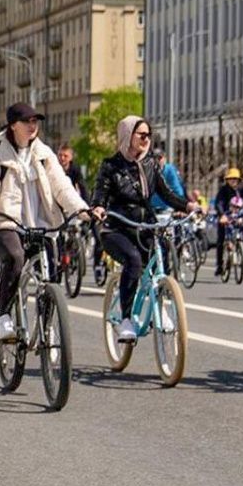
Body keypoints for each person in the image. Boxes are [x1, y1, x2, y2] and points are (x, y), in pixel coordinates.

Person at [0, 103, 89, 341]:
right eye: (27, 122)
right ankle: (3, 319)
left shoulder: (44, 154)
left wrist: (83, 209)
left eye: (35, 121)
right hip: (5, 223)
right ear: (13, 125)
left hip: (40, 224)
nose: (33, 126)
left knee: (50, 274)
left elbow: (62, 187)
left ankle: (48, 326)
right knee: (15, 257)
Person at [90, 116, 194, 341]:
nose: (147, 140)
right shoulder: (111, 166)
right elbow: (100, 192)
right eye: (142, 135)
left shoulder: (150, 164)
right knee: (134, 261)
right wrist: (97, 207)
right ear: (128, 135)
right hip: (117, 228)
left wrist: (188, 205)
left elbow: (166, 194)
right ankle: (126, 319)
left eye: (149, 136)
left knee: (164, 251)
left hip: (144, 225)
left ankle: (162, 305)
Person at [212, 168, 243, 277]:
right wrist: (222, 215)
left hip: (239, 216)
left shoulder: (242, 189)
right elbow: (218, 203)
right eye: (230, 178)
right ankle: (220, 265)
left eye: (235, 178)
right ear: (227, 180)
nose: (233, 180)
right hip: (225, 217)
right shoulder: (223, 190)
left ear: (238, 180)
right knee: (220, 240)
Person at [150, 148, 186, 212]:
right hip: (152, 208)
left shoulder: (170, 170)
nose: (157, 160)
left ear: (165, 159)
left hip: (167, 209)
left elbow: (178, 191)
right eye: (154, 158)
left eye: (159, 158)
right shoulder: (149, 171)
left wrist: (180, 208)